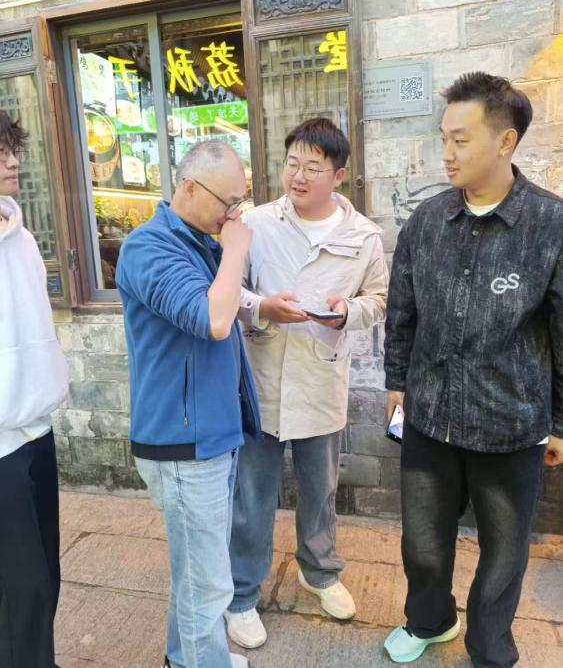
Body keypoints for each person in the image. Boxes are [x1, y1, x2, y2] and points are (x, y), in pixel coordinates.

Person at [383, 72, 563, 667]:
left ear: (506, 141)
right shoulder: (426, 221)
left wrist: (560, 423)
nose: (447, 152)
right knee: (423, 542)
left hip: (511, 422)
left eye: (460, 140)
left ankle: (490, 648)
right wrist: (395, 382)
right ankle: (429, 620)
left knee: (504, 552)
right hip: (430, 415)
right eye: (444, 138)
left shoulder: (550, 225)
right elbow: (402, 311)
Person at [226, 118, 388, 648]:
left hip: (321, 378)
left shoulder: (363, 236)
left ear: (338, 176)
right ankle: (241, 593)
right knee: (252, 495)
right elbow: (228, 289)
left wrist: (348, 313)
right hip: (262, 380)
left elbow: (378, 299)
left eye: (312, 167)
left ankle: (319, 572)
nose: (298, 176)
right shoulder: (255, 223)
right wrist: (263, 307)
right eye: (292, 163)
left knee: (320, 490)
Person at [116, 140, 262, 668]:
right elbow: (214, 319)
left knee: (199, 571)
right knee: (207, 583)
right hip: (181, 443)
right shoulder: (149, 248)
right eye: (229, 202)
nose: (234, 214)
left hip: (212, 434)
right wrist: (236, 248)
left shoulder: (199, 241)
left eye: (241, 202)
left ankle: (186, 658)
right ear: (190, 188)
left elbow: (228, 307)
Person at [0, 110, 69, 668]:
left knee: (46, 573)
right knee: (17, 589)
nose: (12, 161)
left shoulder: (19, 236)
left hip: (34, 426)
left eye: (12, 149)